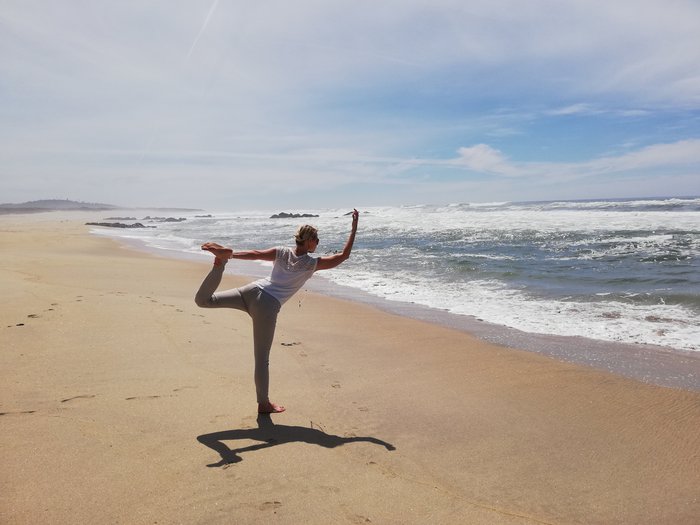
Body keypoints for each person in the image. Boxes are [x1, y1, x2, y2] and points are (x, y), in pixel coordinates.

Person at [195, 209, 359, 414]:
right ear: (309, 242)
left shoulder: (281, 252)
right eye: (316, 239)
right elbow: (344, 256)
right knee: (262, 358)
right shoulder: (311, 264)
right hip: (267, 306)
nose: (318, 243)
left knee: (203, 301)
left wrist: (230, 255)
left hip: (251, 291)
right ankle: (263, 404)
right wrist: (353, 229)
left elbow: (255, 254)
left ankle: (220, 264)